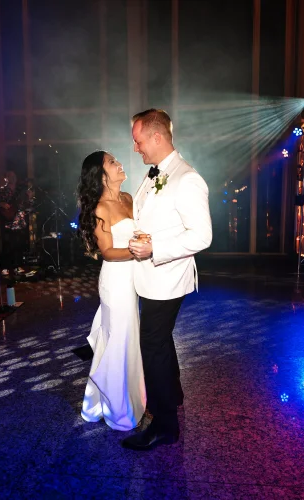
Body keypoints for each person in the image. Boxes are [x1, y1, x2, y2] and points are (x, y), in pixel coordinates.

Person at [123, 109, 212, 450]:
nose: (136, 147)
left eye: (139, 140)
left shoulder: (187, 178)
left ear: (157, 138)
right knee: (159, 340)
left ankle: (165, 425)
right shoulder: (155, 174)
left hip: (167, 278)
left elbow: (202, 236)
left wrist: (153, 248)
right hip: (151, 276)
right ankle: (172, 395)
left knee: (152, 345)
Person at [76, 151, 146, 431]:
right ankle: (119, 412)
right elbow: (107, 252)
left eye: (117, 160)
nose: (119, 164)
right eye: (112, 162)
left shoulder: (128, 198)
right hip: (116, 281)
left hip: (134, 278)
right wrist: (138, 250)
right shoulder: (100, 208)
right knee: (119, 342)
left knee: (128, 341)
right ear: (101, 175)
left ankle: (101, 402)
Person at [0, 170, 30, 277]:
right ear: (5, 178)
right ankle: (5, 267)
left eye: (14, 175)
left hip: (19, 220)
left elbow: (25, 204)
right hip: (7, 221)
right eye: (9, 176)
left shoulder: (20, 191)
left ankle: (18, 265)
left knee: (19, 243)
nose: (12, 178)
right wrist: (1, 204)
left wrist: (29, 197)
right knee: (7, 244)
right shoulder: (0, 191)